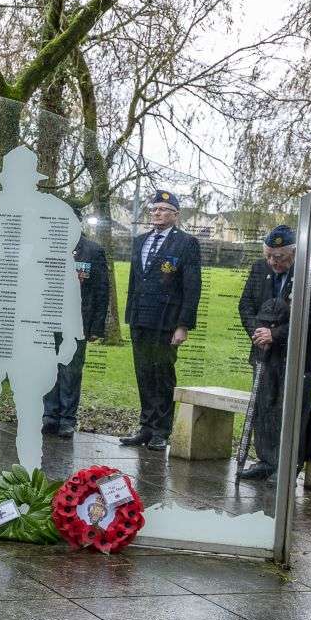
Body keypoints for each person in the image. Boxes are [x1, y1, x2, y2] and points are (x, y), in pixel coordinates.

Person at [236, 225, 311, 480]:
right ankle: (266, 461)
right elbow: (246, 305)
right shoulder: (259, 268)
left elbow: (310, 314)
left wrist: (274, 335)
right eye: (268, 256)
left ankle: (287, 467)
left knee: (293, 409)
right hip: (263, 351)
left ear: (294, 253)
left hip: (298, 354)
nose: (272, 262)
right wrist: (258, 333)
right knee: (264, 406)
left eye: (279, 257)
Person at [120, 189, 202, 450]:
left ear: (175, 215)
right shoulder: (140, 241)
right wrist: (131, 314)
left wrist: (183, 325)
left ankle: (161, 431)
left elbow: (192, 287)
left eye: (163, 210)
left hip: (167, 320)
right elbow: (135, 280)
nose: (157, 213)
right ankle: (146, 427)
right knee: (144, 372)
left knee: (162, 374)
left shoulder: (186, 243)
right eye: (154, 209)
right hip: (141, 318)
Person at [43, 219, 110, 437]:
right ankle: (49, 415)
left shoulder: (93, 251)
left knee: (71, 371)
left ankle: (67, 419)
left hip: (78, 321)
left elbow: (101, 290)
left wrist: (97, 327)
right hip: (48, 319)